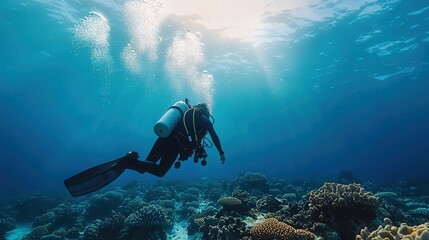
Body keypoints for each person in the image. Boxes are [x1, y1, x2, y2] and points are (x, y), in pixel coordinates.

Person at [64, 101, 225, 197]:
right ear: (206, 112)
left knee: (147, 164)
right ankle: (128, 161)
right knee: (160, 171)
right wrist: (221, 152)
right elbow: (215, 137)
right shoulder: (204, 120)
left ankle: (129, 160)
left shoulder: (185, 115)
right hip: (174, 143)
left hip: (162, 138)